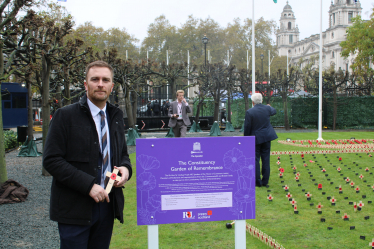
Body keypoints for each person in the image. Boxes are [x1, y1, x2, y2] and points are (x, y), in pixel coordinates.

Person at [43, 61, 132, 249]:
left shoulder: (115, 116)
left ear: (112, 86)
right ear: (86, 84)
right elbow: (51, 160)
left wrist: (125, 169)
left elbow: (122, 154)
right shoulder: (64, 116)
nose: (100, 84)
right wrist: (89, 186)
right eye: (95, 79)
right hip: (75, 207)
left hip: (107, 205)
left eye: (105, 80)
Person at [244, 93, 277, 187]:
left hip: (256, 138)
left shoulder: (250, 112)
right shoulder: (267, 109)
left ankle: (257, 182)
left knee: (255, 160)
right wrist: (269, 107)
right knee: (266, 159)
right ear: (262, 100)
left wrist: (246, 139)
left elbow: (247, 127)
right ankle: (265, 181)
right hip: (267, 137)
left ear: (253, 102)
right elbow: (274, 111)